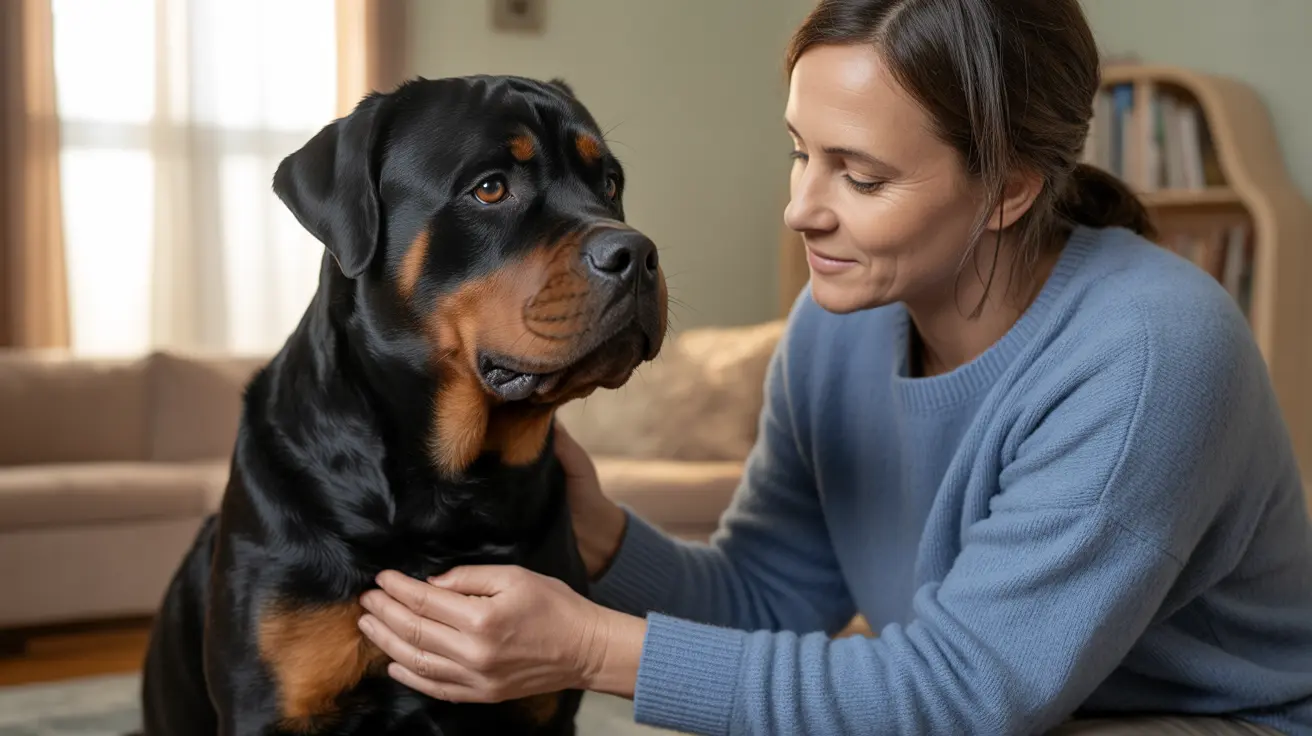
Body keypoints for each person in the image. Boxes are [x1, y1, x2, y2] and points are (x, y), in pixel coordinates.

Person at [355, 0, 1312, 733]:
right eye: (798, 154)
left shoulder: (1148, 353)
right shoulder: (834, 326)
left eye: (860, 176)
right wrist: (599, 535)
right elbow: (767, 602)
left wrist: (589, 649)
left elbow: (962, 696)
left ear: (1010, 188)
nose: (801, 209)